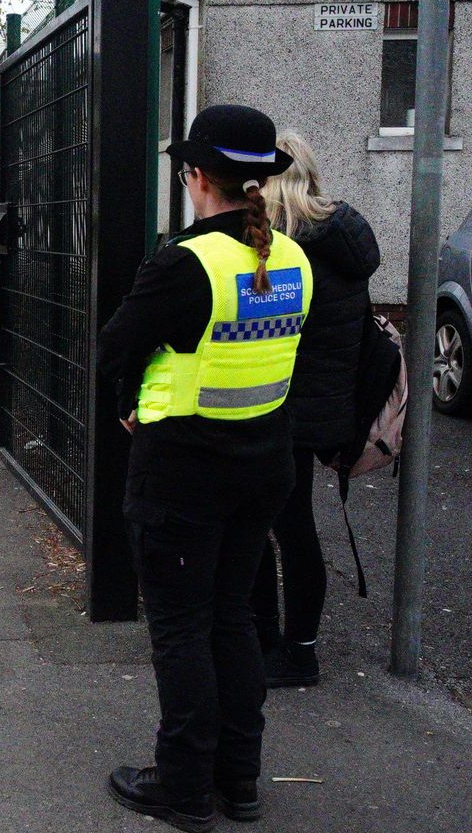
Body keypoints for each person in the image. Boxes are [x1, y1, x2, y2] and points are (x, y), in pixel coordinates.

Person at [97, 105, 313, 831]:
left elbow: (118, 344)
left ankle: (184, 787)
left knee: (182, 629)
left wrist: (132, 399)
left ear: (196, 177)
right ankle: (238, 780)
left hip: (184, 473)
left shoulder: (185, 262)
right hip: (264, 467)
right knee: (234, 619)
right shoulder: (292, 258)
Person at [249, 132, 380, 689]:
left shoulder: (286, 248)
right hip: (323, 409)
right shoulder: (341, 237)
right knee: (291, 525)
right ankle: (288, 646)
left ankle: (286, 651)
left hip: (281, 406)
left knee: (273, 528)